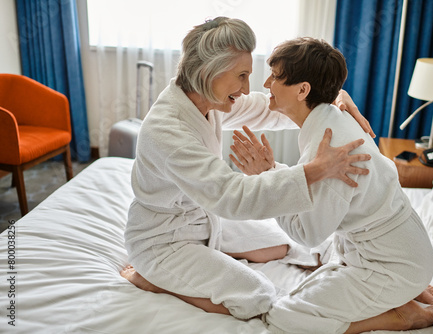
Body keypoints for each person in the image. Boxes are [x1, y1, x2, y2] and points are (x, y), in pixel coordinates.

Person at [121, 17, 374, 321]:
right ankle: (152, 279)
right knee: (259, 296)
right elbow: (231, 196)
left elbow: (276, 108)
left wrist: (334, 98)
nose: (245, 88)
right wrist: (314, 171)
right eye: (241, 76)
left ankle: (384, 279)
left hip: (203, 221)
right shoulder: (168, 130)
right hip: (162, 243)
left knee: (292, 245)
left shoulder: (205, 102)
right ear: (209, 71)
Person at [230, 37, 433, 333]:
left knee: (283, 318)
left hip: (391, 266)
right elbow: (310, 180)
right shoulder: (331, 117)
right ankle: (406, 291)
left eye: (276, 77)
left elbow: (307, 233)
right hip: (396, 253)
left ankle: (405, 316)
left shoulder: (334, 151)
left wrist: (265, 178)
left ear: (303, 90)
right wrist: (271, 170)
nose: (266, 83)